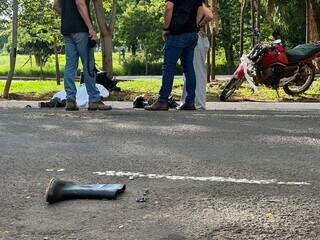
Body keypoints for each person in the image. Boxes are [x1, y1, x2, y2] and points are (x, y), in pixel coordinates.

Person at [53, 0, 111, 111]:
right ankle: (94, 100)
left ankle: (70, 100)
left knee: (70, 65)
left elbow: (55, 6)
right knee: (88, 65)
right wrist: (90, 27)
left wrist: (67, 16)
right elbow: (79, 2)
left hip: (67, 29)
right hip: (81, 29)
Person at [145, 0, 203, 111]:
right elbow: (200, 10)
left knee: (168, 67)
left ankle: (163, 101)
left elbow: (168, 7)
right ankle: (190, 102)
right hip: (192, 34)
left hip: (177, 34)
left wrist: (166, 28)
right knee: (189, 68)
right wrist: (195, 26)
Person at [180, 3, 213, 110]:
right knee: (189, 72)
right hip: (197, 39)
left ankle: (198, 103)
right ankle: (187, 101)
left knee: (197, 73)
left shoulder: (197, 3)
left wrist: (197, 26)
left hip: (198, 39)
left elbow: (209, 16)